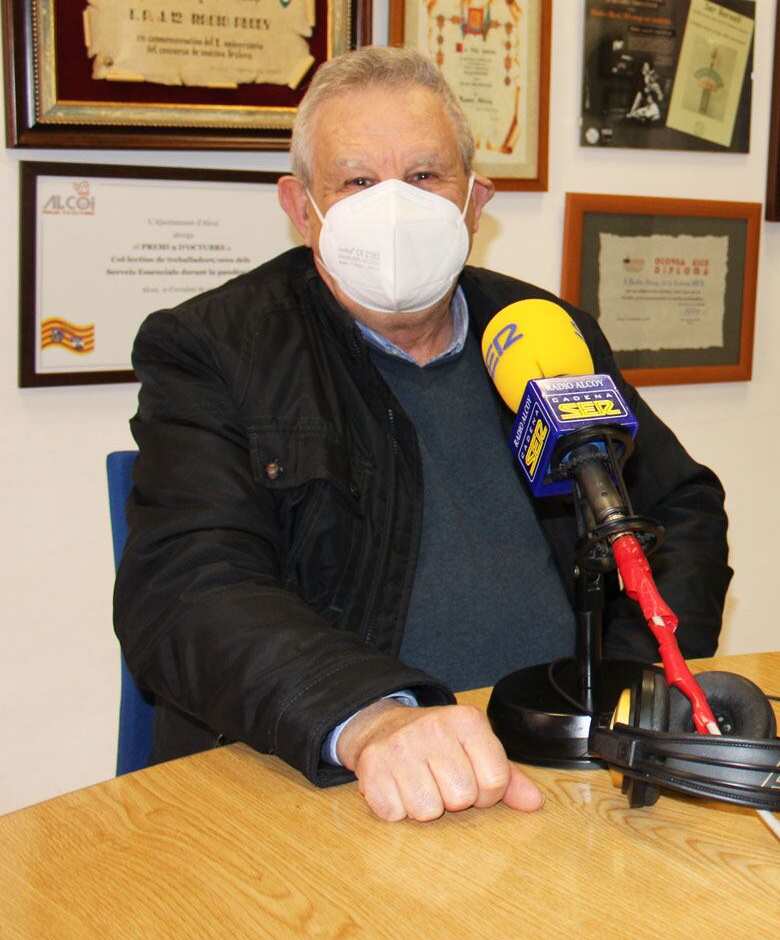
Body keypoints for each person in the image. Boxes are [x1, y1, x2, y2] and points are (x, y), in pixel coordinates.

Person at [114, 47, 731, 822]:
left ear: (475, 201)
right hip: (334, 776)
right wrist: (372, 718)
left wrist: (632, 688)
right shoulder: (214, 347)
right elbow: (187, 589)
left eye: (426, 176)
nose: (394, 207)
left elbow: (678, 511)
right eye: (358, 181)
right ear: (302, 207)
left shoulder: (542, 331)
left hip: (564, 773)